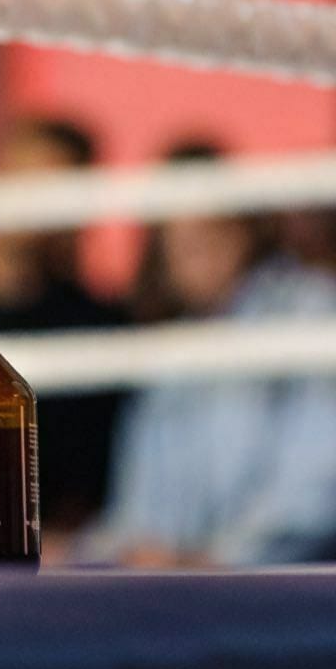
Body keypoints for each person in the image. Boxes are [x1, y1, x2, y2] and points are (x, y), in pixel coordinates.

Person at [88, 140, 336, 566]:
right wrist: (89, 552)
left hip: (283, 595)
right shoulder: (173, 345)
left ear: (243, 226)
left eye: (206, 231)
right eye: (176, 238)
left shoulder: (309, 308)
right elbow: (138, 512)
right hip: (184, 595)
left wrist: (215, 562)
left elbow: (317, 480)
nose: (190, 250)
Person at [0, 116, 125, 529]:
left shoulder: (98, 325)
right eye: (27, 180)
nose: (37, 204)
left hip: (47, 554)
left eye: (57, 189)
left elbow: (90, 487)